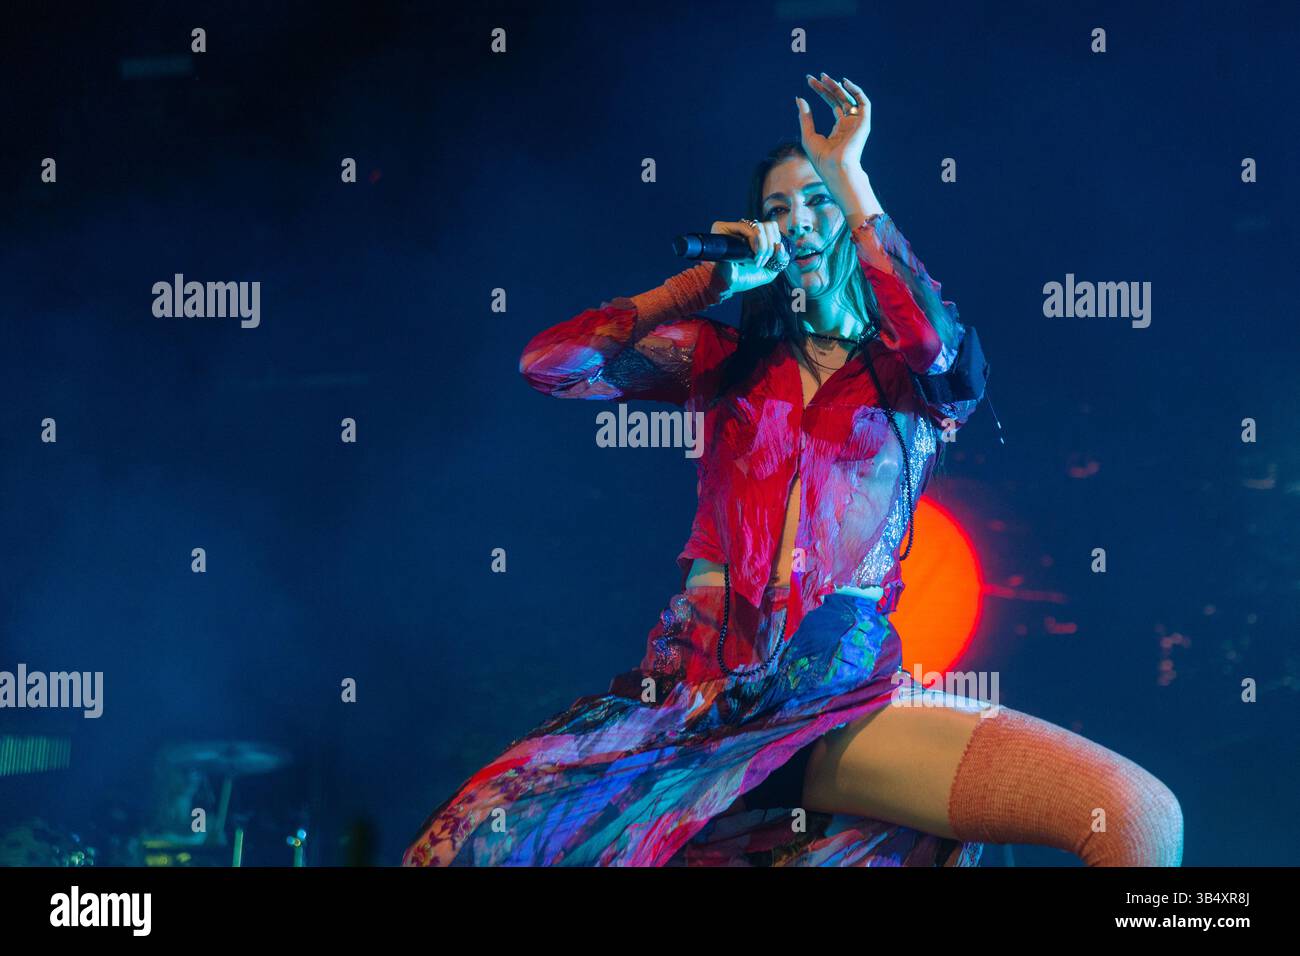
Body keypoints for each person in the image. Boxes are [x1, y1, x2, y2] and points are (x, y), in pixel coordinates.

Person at [402, 73, 1184, 866]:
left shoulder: (917, 375)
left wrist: (851, 175)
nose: (797, 224)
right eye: (777, 211)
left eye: (816, 204)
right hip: (687, 704)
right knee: (466, 846)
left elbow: (929, 337)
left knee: (1130, 814)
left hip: (835, 703)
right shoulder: (721, 360)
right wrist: (701, 284)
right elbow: (550, 364)